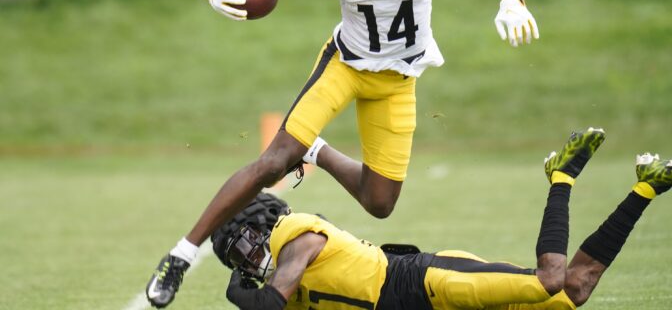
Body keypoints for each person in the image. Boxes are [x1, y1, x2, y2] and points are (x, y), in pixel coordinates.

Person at [146, 0, 540, 307]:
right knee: (274, 160)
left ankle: (316, 149)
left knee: (380, 201)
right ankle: (179, 256)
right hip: (345, 65)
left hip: (398, 79)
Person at [213, 128, 672, 310]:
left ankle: (562, 177)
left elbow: (269, 303)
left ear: (257, 227)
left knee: (556, 282)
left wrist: (241, 296)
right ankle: (647, 187)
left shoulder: (294, 235)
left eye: (239, 250)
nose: (245, 264)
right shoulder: (285, 291)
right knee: (578, 289)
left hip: (423, 283)